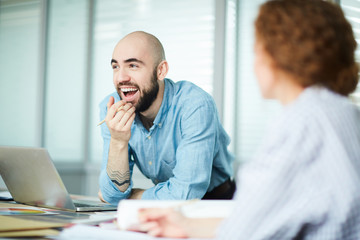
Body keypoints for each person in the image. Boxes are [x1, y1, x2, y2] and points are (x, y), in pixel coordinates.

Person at [136, 0, 360, 239]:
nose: (254, 64)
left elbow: (246, 229)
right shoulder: (345, 114)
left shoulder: (301, 123)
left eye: (257, 51)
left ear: (277, 55)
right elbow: (259, 218)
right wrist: (185, 224)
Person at [98, 31, 235, 204]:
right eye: (115, 67)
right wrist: (118, 141)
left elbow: (185, 194)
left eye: (133, 65)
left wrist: (135, 196)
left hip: (215, 201)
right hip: (163, 203)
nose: (121, 77)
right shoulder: (111, 109)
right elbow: (111, 195)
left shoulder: (195, 105)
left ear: (161, 71)